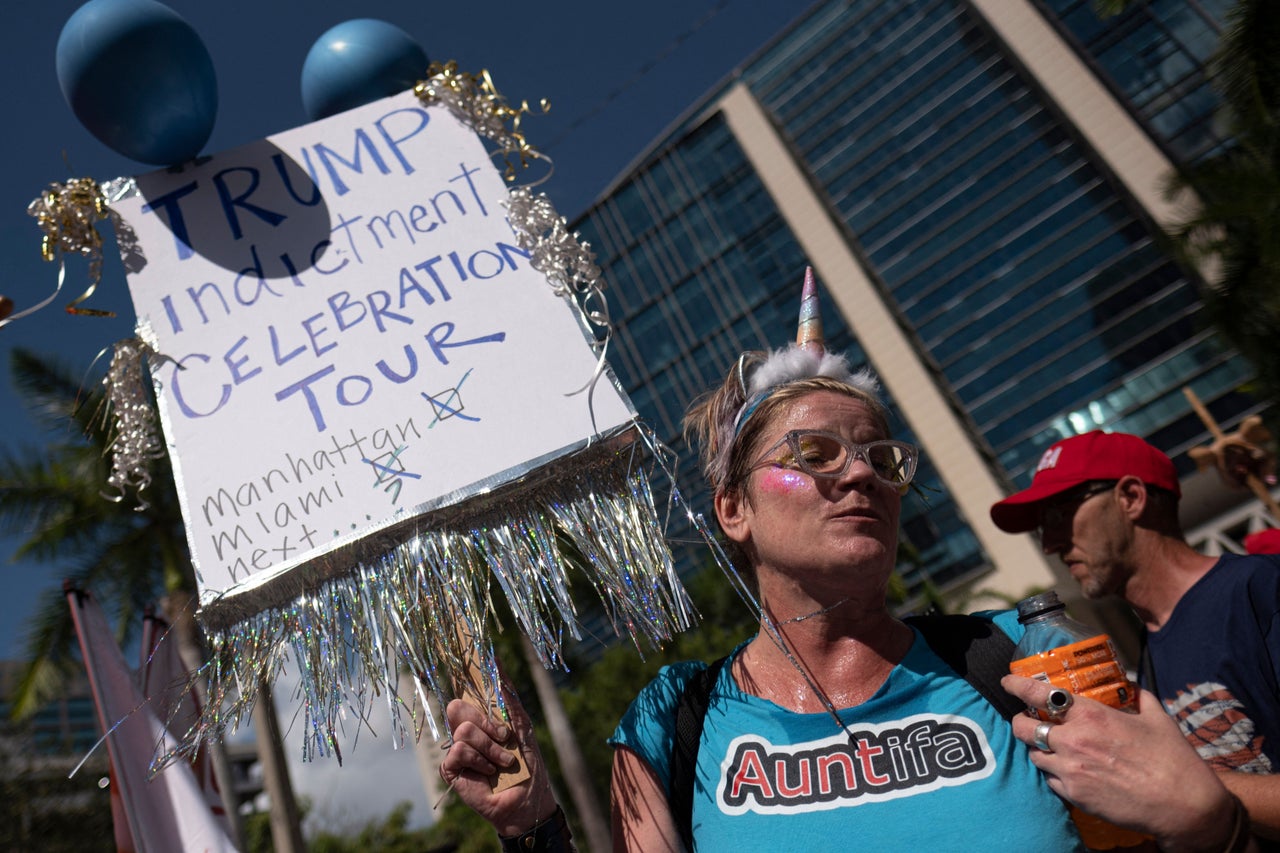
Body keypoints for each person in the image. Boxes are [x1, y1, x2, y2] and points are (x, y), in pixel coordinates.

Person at [441, 269, 1249, 852]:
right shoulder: (670, 720)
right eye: (816, 452)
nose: (860, 471)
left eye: (880, 457)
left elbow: (1168, 828)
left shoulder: (1022, 656)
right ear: (734, 508)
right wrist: (535, 827)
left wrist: (1211, 823)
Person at [991, 429, 1279, 844]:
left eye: (1058, 514)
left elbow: (1167, 784)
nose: (1051, 543)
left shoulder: (1262, 591)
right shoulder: (1151, 645)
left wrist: (1162, 782)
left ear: (1130, 498)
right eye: (1042, 527)